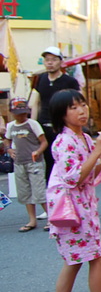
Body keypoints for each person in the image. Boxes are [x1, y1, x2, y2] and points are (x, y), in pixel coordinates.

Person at [45, 88, 101, 292]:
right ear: (61, 114)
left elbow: (91, 174)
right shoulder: (64, 141)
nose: (82, 111)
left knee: (75, 261)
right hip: (73, 212)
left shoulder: (84, 138)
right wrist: (99, 151)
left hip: (80, 210)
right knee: (97, 258)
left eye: (83, 105)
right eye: (74, 107)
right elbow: (74, 177)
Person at [29, 46, 79, 180]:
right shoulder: (40, 79)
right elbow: (36, 103)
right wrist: (32, 125)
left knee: (63, 157)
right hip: (43, 125)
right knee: (46, 159)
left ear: (61, 62)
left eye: (53, 60)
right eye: (47, 60)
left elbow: (77, 104)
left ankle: (65, 183)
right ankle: (51, 188)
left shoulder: (70, 82)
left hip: (61, 126)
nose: (50, 63)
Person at [4, 98, 48, 232]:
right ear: (12, 112)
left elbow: (44, 141)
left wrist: (38, 151)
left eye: (23, 113)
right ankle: (32, 219)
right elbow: (7, 140)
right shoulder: (11, 126)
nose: (21, 116)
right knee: (25, 192)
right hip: (19, 162)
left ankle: (51, 218)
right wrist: (9, 149)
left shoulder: (32, 124)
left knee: (39, 191)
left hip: (34, 162)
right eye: (18, 113)